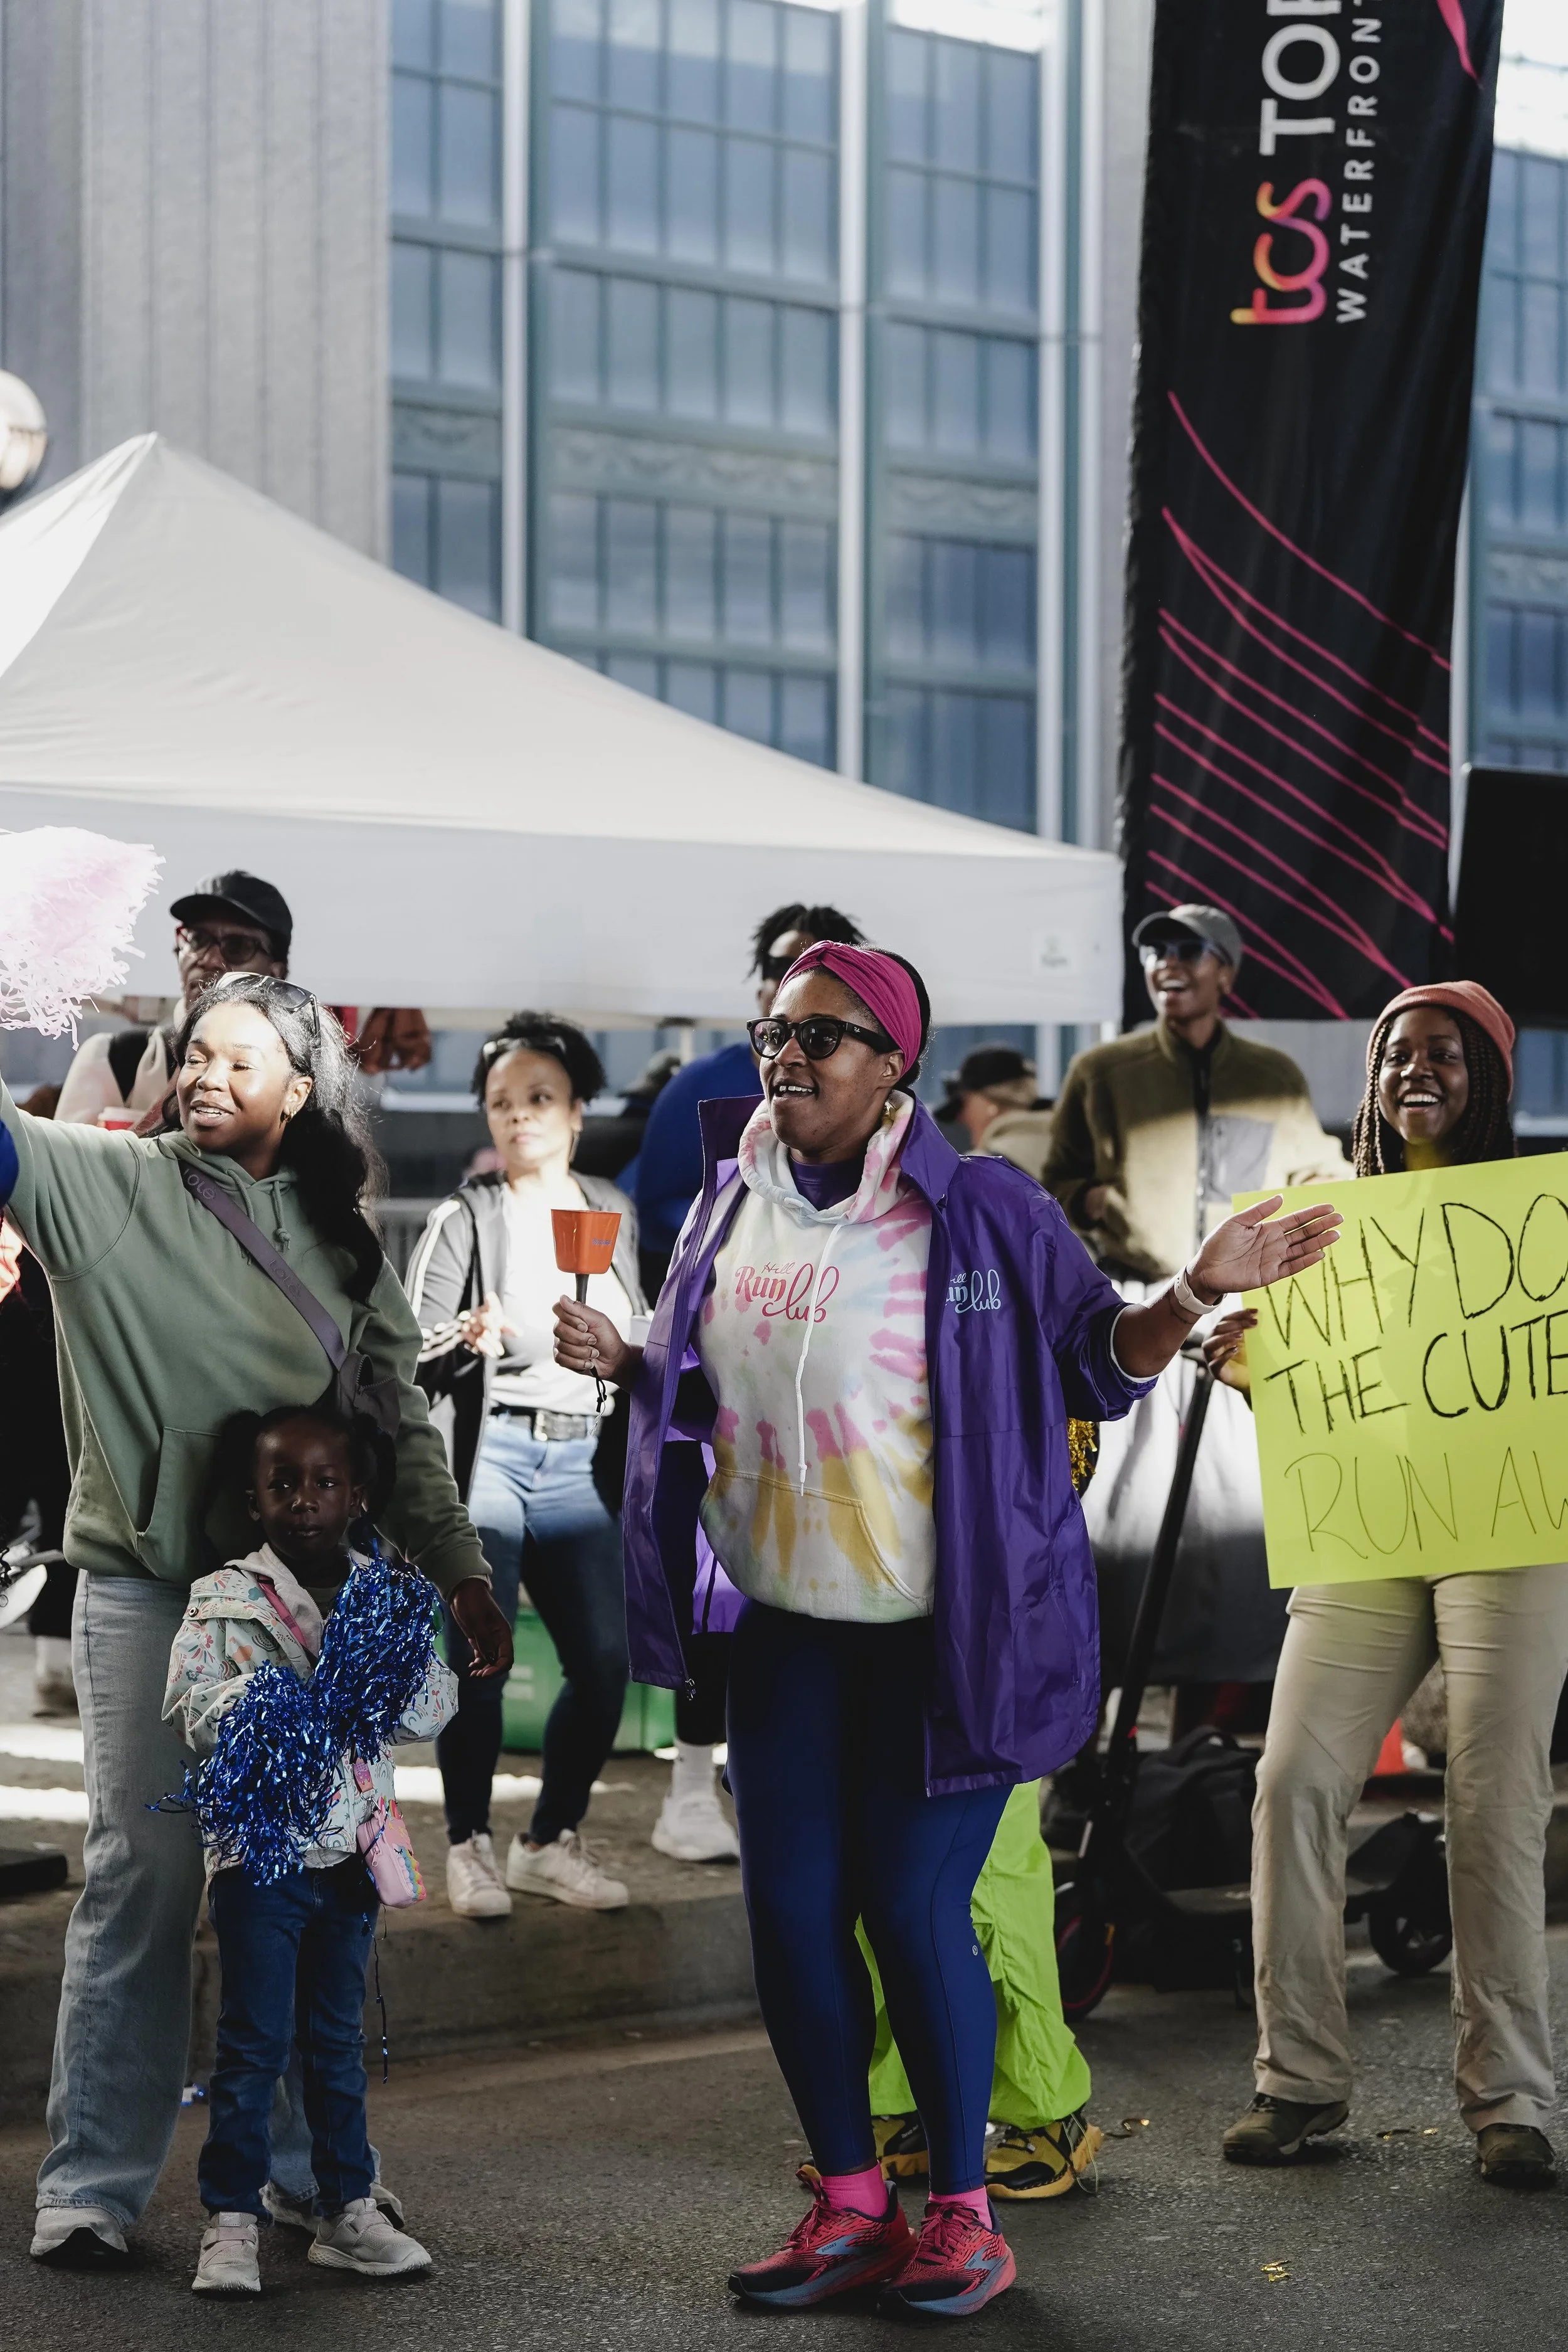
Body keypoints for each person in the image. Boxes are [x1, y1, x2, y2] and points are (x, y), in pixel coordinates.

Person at [556, 940, 1339, 2318]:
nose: (787, 1057)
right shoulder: (727, 1197)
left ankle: (965, 2216)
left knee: (910, 1916)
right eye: (777, 1032)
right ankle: (853, 2204)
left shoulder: (979, 1205)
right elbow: (711, 1369)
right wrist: (632, 1362)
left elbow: (1098, 1354)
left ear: (891, 1062)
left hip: (945, 1630)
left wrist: (1194, 1288)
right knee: (790, 1916)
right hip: (788, 1620)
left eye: (823, 1036)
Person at [4, 972, 511, 2273]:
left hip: (306, 1607)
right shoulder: (110, 1186)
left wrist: (455, 1569)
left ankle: (308, 2182)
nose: (204, 1072)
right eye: (191, 1053)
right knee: (145, 1881)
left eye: (239, 1058)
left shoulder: (342, 1237)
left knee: (304, 1887)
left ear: (300, 1086)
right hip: (151, 1591)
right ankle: (93, 2191)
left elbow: (396, 1426)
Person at [1214, 982, 1568, 2186]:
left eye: (1446, 1055)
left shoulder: (1544, 1220)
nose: (1416, 1071)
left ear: (1492, 1081)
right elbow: (1315, 1393)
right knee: (1294, 1780)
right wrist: (1251, 1366)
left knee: (1495, 1800)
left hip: (1509, 1527)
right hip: (1370, 1526)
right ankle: (1298, 2079)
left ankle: (1510, 2096)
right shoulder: (1320, 1218)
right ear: (1369, 1080)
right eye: (1397, 1054)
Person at [164, 1404, 453, 2296]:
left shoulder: (385, 1592)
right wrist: (270, 1708)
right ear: (252, 1499)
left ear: (358, 1494)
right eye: (281, 1483)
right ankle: (231, 2220)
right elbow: (191, 1706)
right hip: (261, 1861)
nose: (303, 1500)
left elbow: (431, 1707)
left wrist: (390, 1671)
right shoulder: (223, 1598)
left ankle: (345, 2207)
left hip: (352, 1856)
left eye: (324, 1482)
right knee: (252, 2040)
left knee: (333, 2041)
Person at [1043, 903, 1348, 1720]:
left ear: (1227, 969)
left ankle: (1191, 1764)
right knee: (1116, 1539)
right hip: (1140, 1323)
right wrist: (1094, 1196)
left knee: (1232, 1551)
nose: (1166, 963)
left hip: (1240, 1334)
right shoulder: (1101, 1072)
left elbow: (1319, 1168)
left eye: (1187, 949)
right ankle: (1082, 1750)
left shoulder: (1274, 1075)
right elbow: (1055, 1183)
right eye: (1154, 951)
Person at [631, 903, 866, 1857]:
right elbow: (659, 1232)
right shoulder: (709, 1086)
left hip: (847, 1410)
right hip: (724, 1388)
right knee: (715, 1578)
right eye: (780, 971)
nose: (796, 1035)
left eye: (825, 984)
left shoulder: (885, 1111)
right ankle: (691, 1781)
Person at [405, 1014, 649, 1920]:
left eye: (540, 1099)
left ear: (578, 1111)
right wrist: (464, 1334)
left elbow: (647, 1330)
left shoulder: (609, 1211)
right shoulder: (466, 1215)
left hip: (584, 1455)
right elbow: (401, 1349)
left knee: (606, 1662)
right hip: (493, 1452)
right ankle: (469, 1841)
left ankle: (549, 1838)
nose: (520, 1118)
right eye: (502, 1103)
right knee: (481, 1658)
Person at [55, 871, 294, 1126]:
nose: (210, 959)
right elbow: (62, 1165)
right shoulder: (115, 1058)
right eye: (198, 939)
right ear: (179, 947)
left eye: (238, 946)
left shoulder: (293, 1078)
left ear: (275, 972)